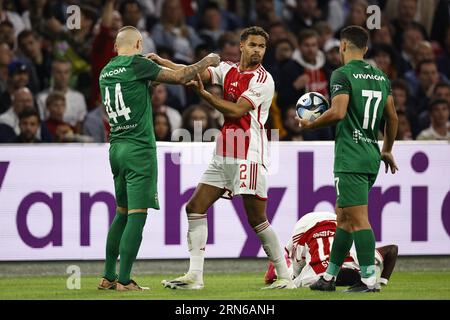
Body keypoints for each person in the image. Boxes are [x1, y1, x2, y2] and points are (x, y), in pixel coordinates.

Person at [154, 26, 295, 290]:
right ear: (241, 45)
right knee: (194, 207)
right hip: (224, 152)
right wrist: (163, 63)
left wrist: (206, 96)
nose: (257, 51)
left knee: (256, 219)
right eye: (252, 45)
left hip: (248, 154)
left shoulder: (264, 80)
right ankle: (195, 276)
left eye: (262, 47)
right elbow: (193, 71)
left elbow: (237, 110)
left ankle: (285, 276)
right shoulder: (229, 69)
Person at [97, 25, 219, 291]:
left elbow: (137, 89)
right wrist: (208, 61)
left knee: (121, 213)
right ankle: (125, 281)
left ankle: (108, 277)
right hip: (139, 150)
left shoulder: (106, 69)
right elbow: (182, 76)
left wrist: (156, 71)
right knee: (137, 216)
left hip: (116, 148)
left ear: (117, 47)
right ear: (139, 44)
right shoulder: (138, 64)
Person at [296, 26, 398, 293]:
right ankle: (329, 277)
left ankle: (367, 280)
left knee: (358, 219)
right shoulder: (380, 76)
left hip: (350, 156)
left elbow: (338, 111)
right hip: (370, 153)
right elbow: (393, 118)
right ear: (365, 48)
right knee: (343, 218)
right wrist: (386, 149)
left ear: (342, 46)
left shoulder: (341, 74)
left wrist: (311, 124)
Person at [264, 211, 398, 289]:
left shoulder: (355, 263)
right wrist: (382, 283)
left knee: (295, 273)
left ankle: (276, 268)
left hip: (328, 222)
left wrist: (382, 282)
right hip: (309, 228)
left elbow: (392, 250)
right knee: (294, 276)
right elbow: (392, 249)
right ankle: (276, 269)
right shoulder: (314, 278)